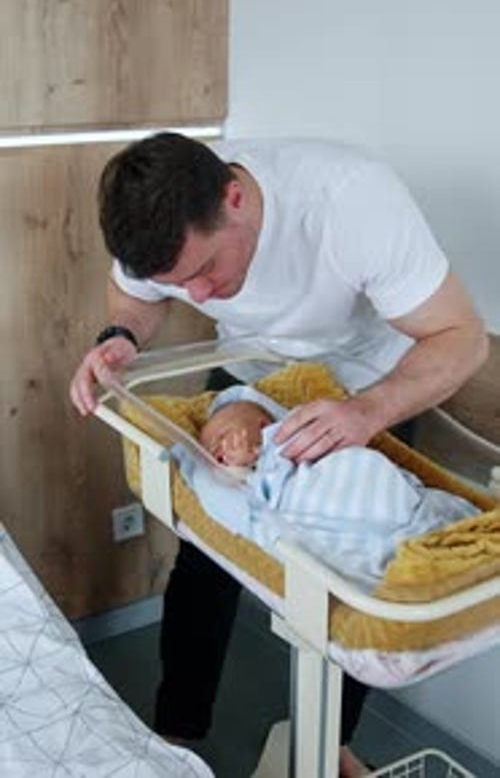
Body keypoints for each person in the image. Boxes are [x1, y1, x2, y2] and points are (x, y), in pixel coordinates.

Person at [70, 133, 487, 778]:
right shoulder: (160, 222)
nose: (200, 299)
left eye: (204, 271)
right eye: (182, 285)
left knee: (357, 576)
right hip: (249, 377)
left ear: (235, 198)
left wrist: (366, 411)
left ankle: (332, 744)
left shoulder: (350, 203)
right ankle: (175, 733)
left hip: (368, 387)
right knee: (204, 556)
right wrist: (122, 336)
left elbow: (461, 339)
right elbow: (135, 295)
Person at [180, 384, 479, 589]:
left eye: (224, 435)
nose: (217, 448)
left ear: (262, 425)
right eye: (211, 450)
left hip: (362, 480)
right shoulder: (251, 475)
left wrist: (262, 453)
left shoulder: (287, 440)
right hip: (333, 516)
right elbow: (249, 500)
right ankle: (409, 548)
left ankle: (421, 531)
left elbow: (333, 453)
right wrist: (240, 469)